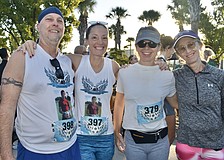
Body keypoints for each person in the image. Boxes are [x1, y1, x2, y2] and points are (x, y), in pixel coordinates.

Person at [19, 22, 168, 160]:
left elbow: (136, 79)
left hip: (106, 136)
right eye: (94, 37)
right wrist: (32, 44)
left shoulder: (113, 66)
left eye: (104, 38)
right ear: (87, 41)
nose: (100, 42)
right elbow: (50, 55)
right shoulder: (76, 61)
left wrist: (156, 64)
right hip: (82, 136)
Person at [0, 6, 81, 160]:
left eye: (59, 21)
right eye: (49, 19)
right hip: (35, 151)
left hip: (71, 147)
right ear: (38, 27)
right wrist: (5, 154)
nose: (55, 23)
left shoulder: (67, 62)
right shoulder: (22, 57)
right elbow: (7, 107)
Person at [113, 26, 178, 160]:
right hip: (133, 142)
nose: (146, 48)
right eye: (142, 43)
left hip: (160, 142)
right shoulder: (125, 73)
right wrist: (116, 131)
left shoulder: (167, 75)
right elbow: (119, 105)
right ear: (136, 47)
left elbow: (176, 104)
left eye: (152, 44)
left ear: (159, 47)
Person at [172, 30, 224, 160]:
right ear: (179, 54)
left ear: (200, 45)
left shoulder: (219, 75)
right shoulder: (175, 76)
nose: (188, 51)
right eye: (182, 48)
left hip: (215, 144)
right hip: (186, 145)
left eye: (191, 45)